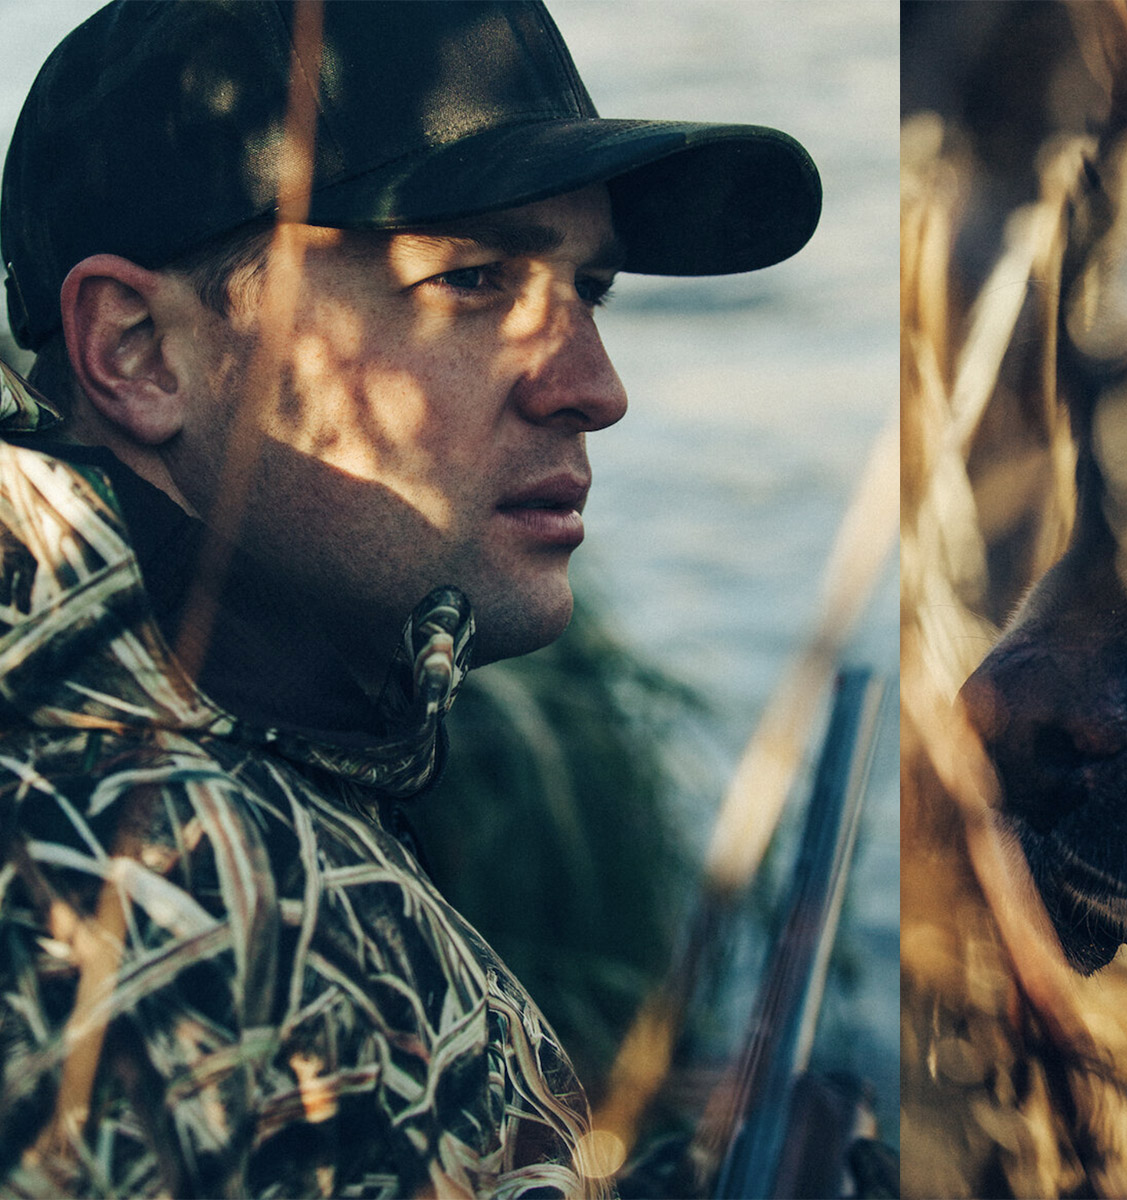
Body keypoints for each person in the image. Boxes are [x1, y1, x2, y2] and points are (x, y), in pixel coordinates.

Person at [0, 1, 819, 1195]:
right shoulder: (134, 875)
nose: (596, 387)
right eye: (473, 276)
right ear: (137, 349)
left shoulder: (237, 739)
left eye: (592, 288)